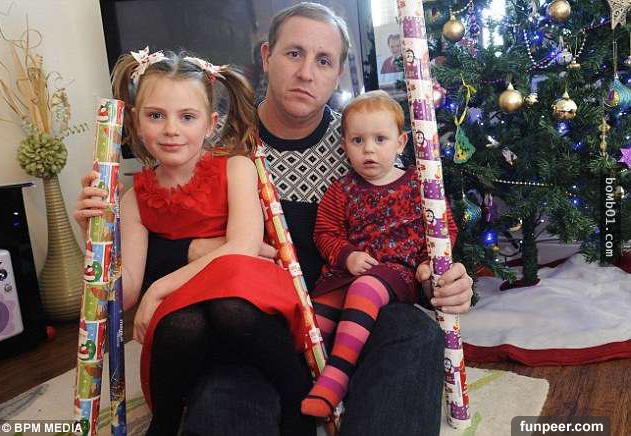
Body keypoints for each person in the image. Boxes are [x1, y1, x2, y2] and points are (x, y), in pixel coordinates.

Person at [78, 3, 473, 435]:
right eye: (294, 53)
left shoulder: (365, 139)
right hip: (250, 330)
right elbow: (152, 255)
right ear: (267, 56)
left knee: (414, 333)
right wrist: (105, 232)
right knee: (225, 399)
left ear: (339, 73)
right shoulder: (208, 141)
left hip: (350, 316)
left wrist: (441, 280)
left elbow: (411, 238)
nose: (306, 73)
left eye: (324, 61)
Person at [74, 48, 314, 435]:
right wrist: (95, 236)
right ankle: (165, 419)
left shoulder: (236, 167)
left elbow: (241, 249)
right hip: (188, 306)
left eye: (187, 117)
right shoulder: (134, 199)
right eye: (156, 115)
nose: (171, 129)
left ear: (210, 124)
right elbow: (126, 293)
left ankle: (294, 394)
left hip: (245, 294)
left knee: (227, 306)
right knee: (182, 322)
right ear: (135, 121)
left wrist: (160, 288)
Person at [301, 90, 459, 417]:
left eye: (380, 139)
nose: (368, 149)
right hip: (347, 272)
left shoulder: (419, 184)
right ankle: (305, 381)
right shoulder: (342, 190)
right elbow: (325, 233)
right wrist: (347, 256)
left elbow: (444, 229)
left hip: (395, 273)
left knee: (365, 288)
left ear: (400, 143)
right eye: (357, 140)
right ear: (344, 144)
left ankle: (338, 376)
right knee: (315, 319)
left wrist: (427, 263)